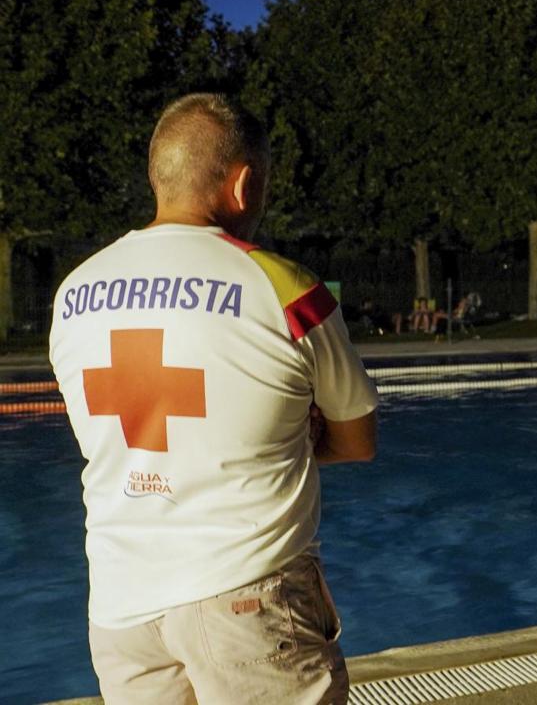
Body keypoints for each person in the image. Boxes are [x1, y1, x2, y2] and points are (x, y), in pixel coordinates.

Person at [49, 94, 378, 704]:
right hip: (247, 595)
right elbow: (357, 441)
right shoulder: (286, 290)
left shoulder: (73, 294)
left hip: (122, 607)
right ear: (243, 183)